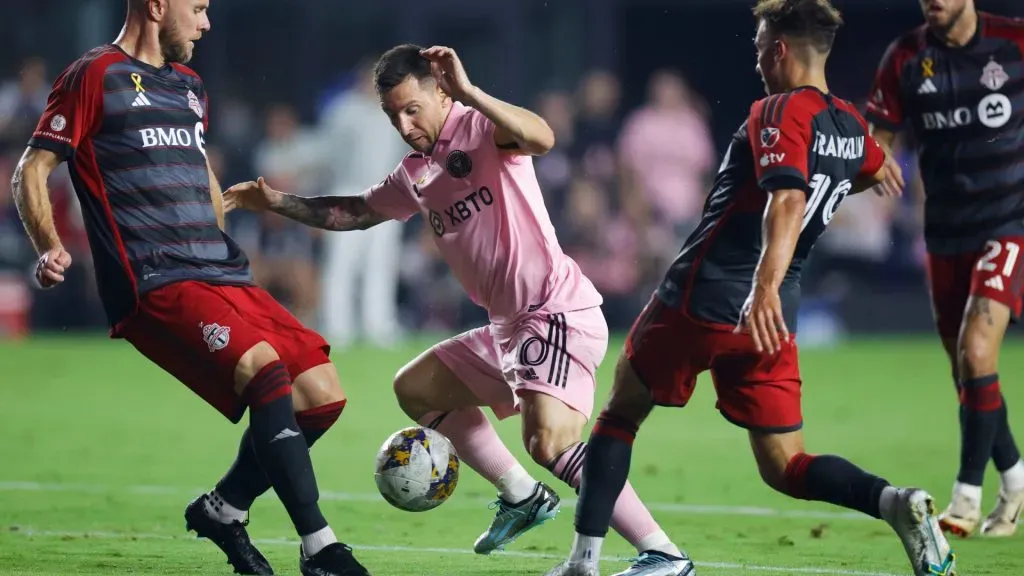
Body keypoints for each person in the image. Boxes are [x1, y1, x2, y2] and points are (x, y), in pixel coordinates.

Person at [225, 43, 693, 576]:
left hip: (553, 312)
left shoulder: (481, 129)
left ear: (440, 93)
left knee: (550, 442)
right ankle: (521, 496)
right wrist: (278, 202)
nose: (403, 124)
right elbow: (354, 212)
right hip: (506, 330)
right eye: (392, 115)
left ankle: (663, 553)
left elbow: (543, 136)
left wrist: (470, 91)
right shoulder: (415, 174)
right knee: (416, 388)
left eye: (411, 109)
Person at [543, 1, 958, 575]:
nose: (758, 58)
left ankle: (582, 564)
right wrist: (874, 166)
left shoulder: (778, 110)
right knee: (785, 464)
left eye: (761, 46)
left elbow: (788, 197)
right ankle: (895, 502)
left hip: (706, 295)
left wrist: (760, 286)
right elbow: (868, 165)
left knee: (619, 415)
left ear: (780, 49)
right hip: (776, 317)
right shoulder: (847, 123)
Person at [11, 1, 367, 575]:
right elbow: (32, 168)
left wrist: (223, 221)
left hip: (219, 272)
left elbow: (200, 174)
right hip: (153, 280)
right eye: (197, 8)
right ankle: (321, 548)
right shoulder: (92, 76)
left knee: (322, 394)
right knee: (264, 368)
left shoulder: (190, 87)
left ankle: (224, 510)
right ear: (156, 5)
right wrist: (49, 244)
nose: (206, 23)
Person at [866, 0, 1024, 538]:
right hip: (945, 232)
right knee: (966, 371)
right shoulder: (906, 58)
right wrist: (877, 159)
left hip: (1008, 222)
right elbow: (879, 134)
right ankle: (1018, 481)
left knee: (978, 350)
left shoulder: (1013, 42)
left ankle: (965, 497)